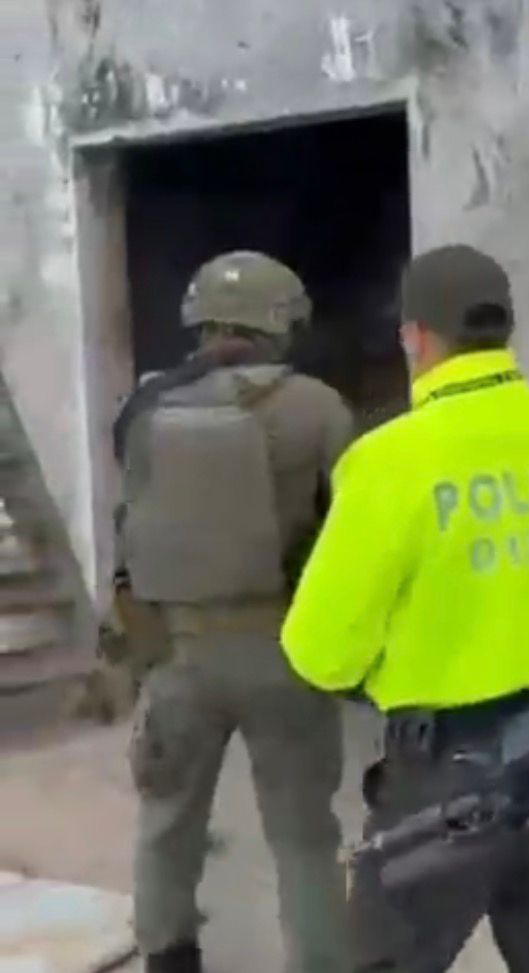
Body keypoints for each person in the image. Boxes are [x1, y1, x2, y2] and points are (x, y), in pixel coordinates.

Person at [281, 244, 529, 972]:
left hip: (444, 781)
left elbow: (318, 651)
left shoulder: (388, 460)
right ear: (506, 328)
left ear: (414, 337)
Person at [117, 251, 354, 973]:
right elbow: (350, 531)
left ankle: (169, 958)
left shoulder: (147, 404)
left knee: (166, 825)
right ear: (280, 319)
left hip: (178, 655)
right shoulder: (316, 405)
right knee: (305, 836)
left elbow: (131, 520)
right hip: (285, 650)